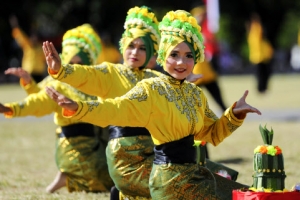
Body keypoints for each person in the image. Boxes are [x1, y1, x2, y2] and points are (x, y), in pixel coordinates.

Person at [44, 10, 262, 199]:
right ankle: (125, 193)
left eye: (188, 56)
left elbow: (212, 133)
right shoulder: (145, 85)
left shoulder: (192, 93)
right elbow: (113, 107)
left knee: (232, 183)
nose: (180, 61)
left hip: (181, 169)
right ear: (163, 56)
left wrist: (233, 115)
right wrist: (67, 81)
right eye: (174, 54)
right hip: (142, 165)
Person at [0, 24, 113, 193]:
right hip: (72, 146)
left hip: (96, 142)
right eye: (70, 64)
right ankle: (65, 177)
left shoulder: (95, 84)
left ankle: (67, 179)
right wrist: (10, 108)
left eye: (80, 63)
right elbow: (38, 99)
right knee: (103, 177)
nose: (75, 68)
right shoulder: (58, 85)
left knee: (109, 176)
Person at [190, 3, 227, 112]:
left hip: (205, 71)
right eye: (200, 16)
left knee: (218, 98)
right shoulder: (192, 34)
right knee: (193, 103)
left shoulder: (202, 32)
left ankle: (227, 114)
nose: (202, 18)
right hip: (196, 73)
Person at [9, 14, 46, 83]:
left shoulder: (41, 47)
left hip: (39, 71)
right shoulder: (27, 45)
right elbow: (19, 35)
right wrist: (15, 26)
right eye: (32, 37)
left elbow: (44, 59)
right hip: (29, 71)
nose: (34, 39)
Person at [246, 13, 274, 94]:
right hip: (259, 56)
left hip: (260, 56)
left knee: (261, 74)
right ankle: (261, 89)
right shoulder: (256, 29)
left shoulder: (252, 31)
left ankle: (262, 88)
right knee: (261, 74)